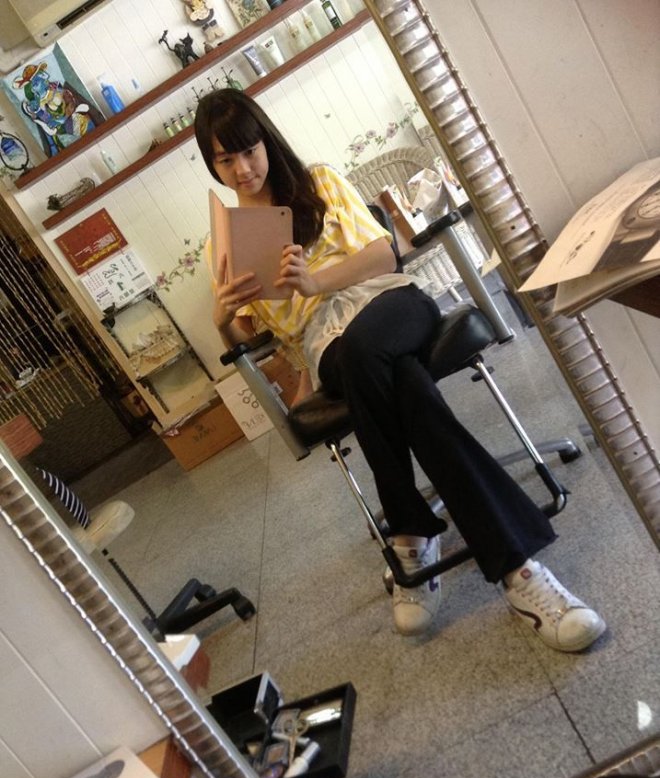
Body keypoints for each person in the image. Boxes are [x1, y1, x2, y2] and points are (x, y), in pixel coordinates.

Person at [195, 89, 607, 649]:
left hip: (392, 303)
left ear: (266, 141)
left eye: (249, 150)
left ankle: (410, 533)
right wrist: (221, 319)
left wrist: (314, 282)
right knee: (402, 383)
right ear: (212, 164)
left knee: (366, 351)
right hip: (327, 345)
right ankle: (522, 572)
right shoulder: (224, 243)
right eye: (226, 159)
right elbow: (249, 338)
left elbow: (384, 255)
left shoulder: (318, 183)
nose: (242, 169)